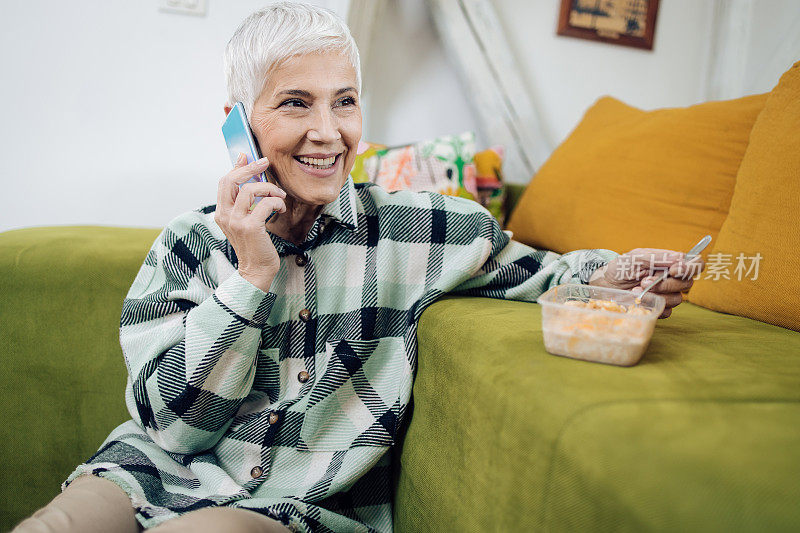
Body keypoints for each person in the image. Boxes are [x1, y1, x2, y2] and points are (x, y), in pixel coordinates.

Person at [12, 3, 702, 532]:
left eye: (344, 100)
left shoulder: (425, 228)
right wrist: (250, 276)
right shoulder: (187, 245)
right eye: (295, 102)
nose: (329, 130)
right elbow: (173, 430)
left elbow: (546, 275)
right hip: (149, 471)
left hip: (285, 507)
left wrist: (625, 275)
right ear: (238, 126)